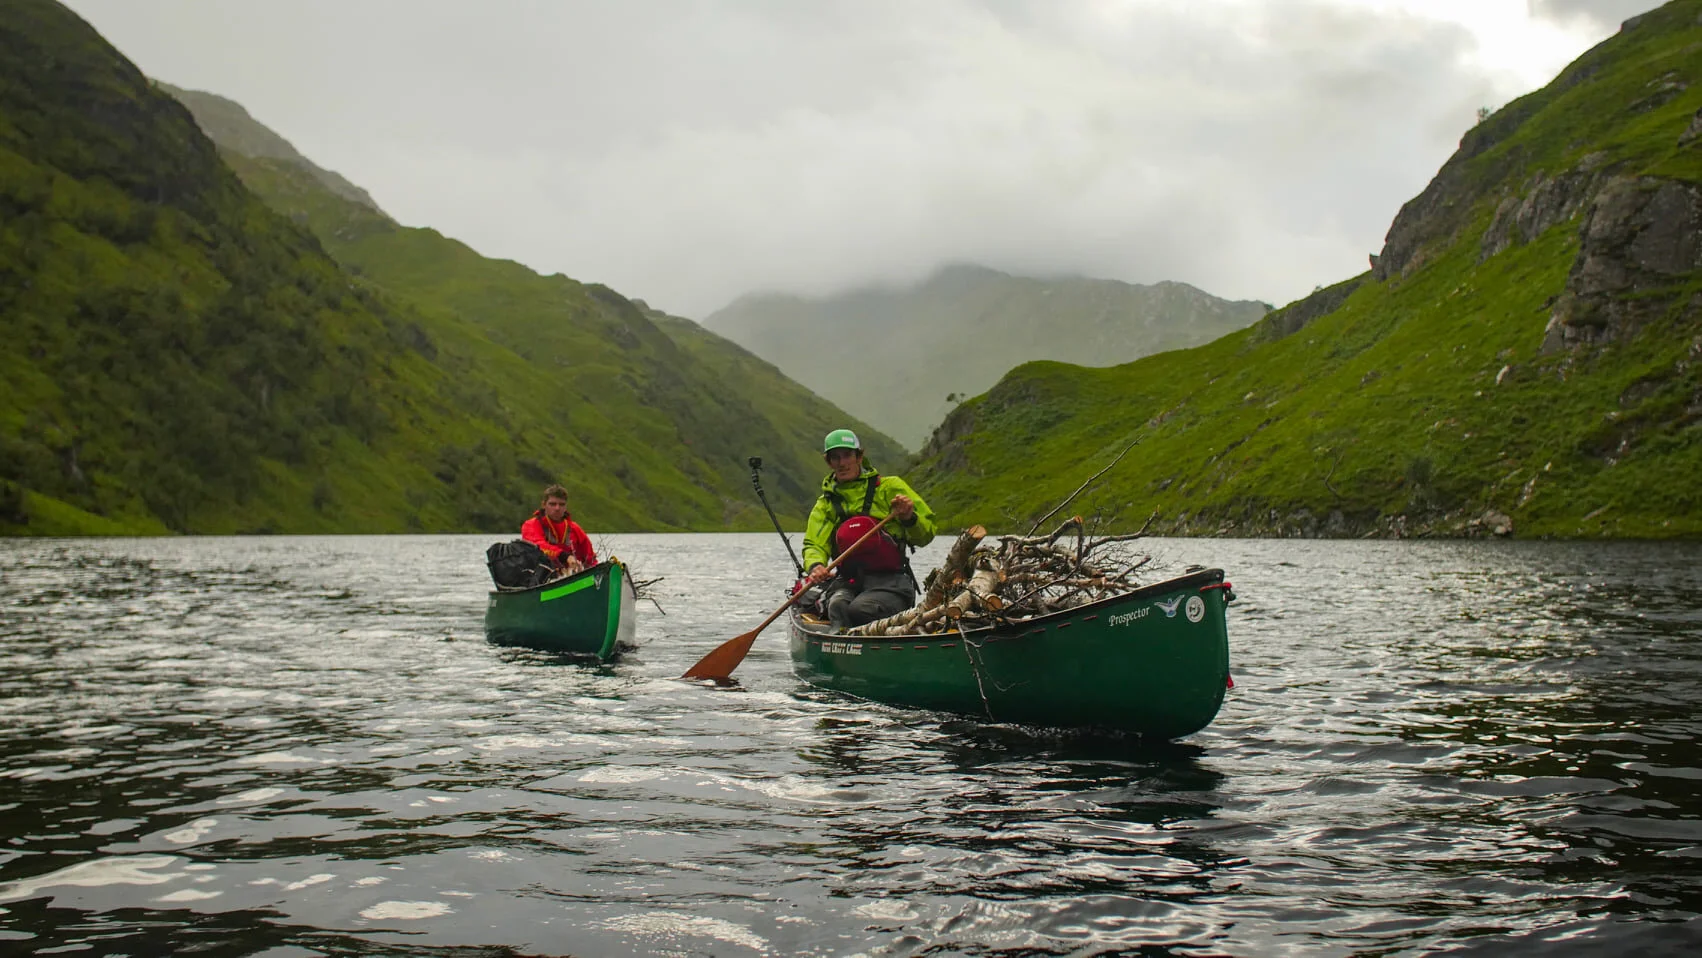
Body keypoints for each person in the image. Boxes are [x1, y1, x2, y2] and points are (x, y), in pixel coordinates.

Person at [802, 428, 936, 629]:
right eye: (835, 457)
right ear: (828, 461)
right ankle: (843, 649)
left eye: (847, 455)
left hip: (892, 584)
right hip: (849, 582)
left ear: (859, 456)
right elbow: (814, 544)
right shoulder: (826, 504)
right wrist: (815, 566)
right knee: (838, 605)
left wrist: (909, 517)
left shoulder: (889, 487)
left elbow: (926, 535)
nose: (842, 463)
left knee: (860, 610)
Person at [521, 484, 596, 574]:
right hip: (540, 577)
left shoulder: (575, 529)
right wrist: (565, 556)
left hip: (569, 575)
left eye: (561, 504)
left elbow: (591, 560)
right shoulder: (531, 525)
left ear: (566, 506)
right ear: (544, 505)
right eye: (552, 504)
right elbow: (538, 546)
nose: (557, 508)